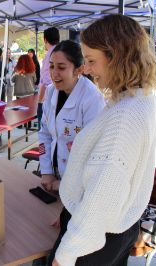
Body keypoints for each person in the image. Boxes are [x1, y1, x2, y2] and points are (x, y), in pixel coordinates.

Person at [49, 14, 156, 266]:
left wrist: (65, 254)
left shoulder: (125, 116)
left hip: (95, 240)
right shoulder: (138, 98)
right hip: (116, 230)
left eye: (91, 61)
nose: (86, 70)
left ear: (117, 58)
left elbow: (102, 193)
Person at [39, 40, 105, 193]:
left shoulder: (91, 99)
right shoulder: (50, 92)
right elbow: (45, 134)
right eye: (51, 66)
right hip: (53, 175)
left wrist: (66, 185)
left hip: (80, 183)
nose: (54, 73)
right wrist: (46, 171)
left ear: (79, 70)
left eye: (61, 67)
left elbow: (94, 152)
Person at [38, 27, 59, 130]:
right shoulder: (61, 51)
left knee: (45, 130)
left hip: (49, 98)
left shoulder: (50, 54)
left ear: (45, 40)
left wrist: (39, 101)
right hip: (60, 95)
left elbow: (46, 81)